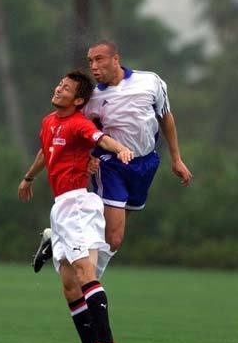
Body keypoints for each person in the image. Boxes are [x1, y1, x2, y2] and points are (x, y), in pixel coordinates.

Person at [32, 40, 192, 276]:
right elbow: (76, 130)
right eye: (90, 61)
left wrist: (176, 159)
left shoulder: (151, 82)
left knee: (107, 232)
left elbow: (165, 117)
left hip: (145, 163)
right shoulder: (92, 98)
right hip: (111, 164)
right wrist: (88, 158)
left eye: (99, 59)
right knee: (114, 239)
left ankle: (56, 239)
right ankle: (90, 285)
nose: (93, 66)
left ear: (115, 59)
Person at [18, 70, 134, 343]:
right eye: (59, 84)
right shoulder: (48, 121)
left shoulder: (79, 123)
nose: (58, 89)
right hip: (61, 209)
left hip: (80, 205)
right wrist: (29, 177)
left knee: (86, 273)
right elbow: (47, 150)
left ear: (79, 99)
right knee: (70, 287)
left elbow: (101, 138)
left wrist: (119, 148)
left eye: (66, 88)